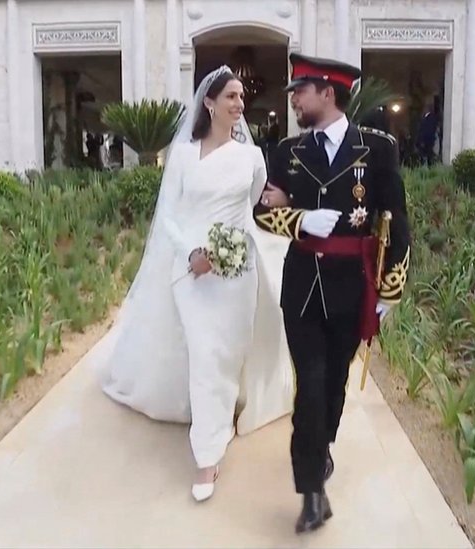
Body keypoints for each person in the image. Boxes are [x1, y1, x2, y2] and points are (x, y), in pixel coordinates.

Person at [94, 66, 294, 503]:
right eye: (231, 97)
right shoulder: (183, 155)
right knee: (205, 354)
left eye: (242, 97)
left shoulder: (251, 157)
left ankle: (221, 415)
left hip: (236, 268)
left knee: (226, 354)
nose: (239, 104)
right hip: (189, 266)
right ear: (209, 102)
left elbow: (256, 203)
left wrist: (240, 241)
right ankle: (208, 453)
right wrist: (191, 253)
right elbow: (168, 214)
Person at [253, 53, 412, 533]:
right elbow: (262, 212)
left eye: (301, 91)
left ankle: (321, 452)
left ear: (328, 93)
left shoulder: (378, 149)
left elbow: (396, 219)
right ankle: (311, 492)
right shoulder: (286, 152)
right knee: (310, 383)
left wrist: (391, 289)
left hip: (352, 285)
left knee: (334, 385)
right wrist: (301, 220)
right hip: (302, 285)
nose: (294, 99)